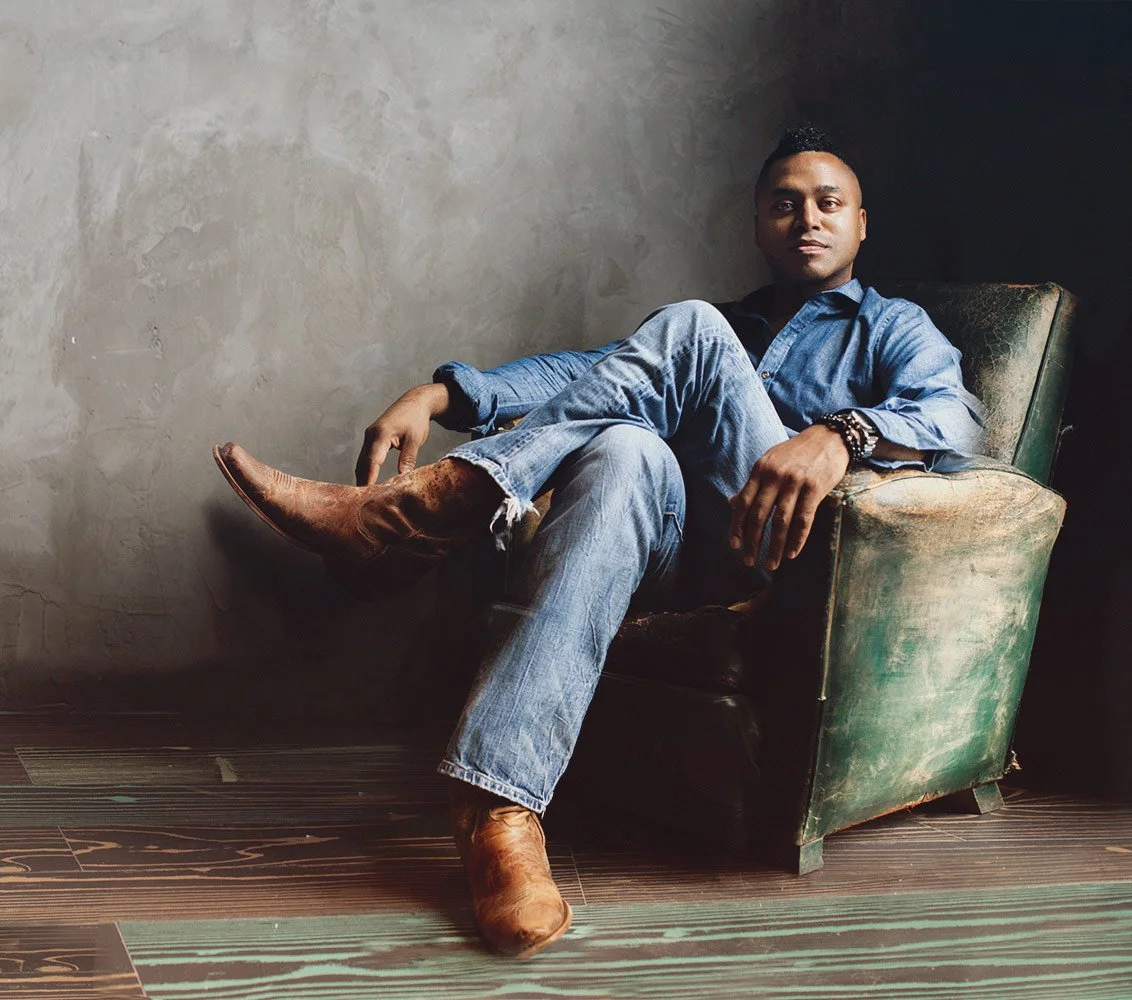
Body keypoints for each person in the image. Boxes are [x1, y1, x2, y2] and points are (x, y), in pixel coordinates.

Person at [212, 125, 985, 958]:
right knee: (624, 444)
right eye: (784, 205)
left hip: (786, 558)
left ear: (860, 223)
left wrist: (840, 433)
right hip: (668, 554)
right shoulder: (728, 327)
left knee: (683, 330)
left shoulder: (890, 326)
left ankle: (420, 514)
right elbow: (576, 376)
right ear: (758, 224)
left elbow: (960, 420)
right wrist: (440, 394)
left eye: (828, 204)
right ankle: (503, 817)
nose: (807, 219)